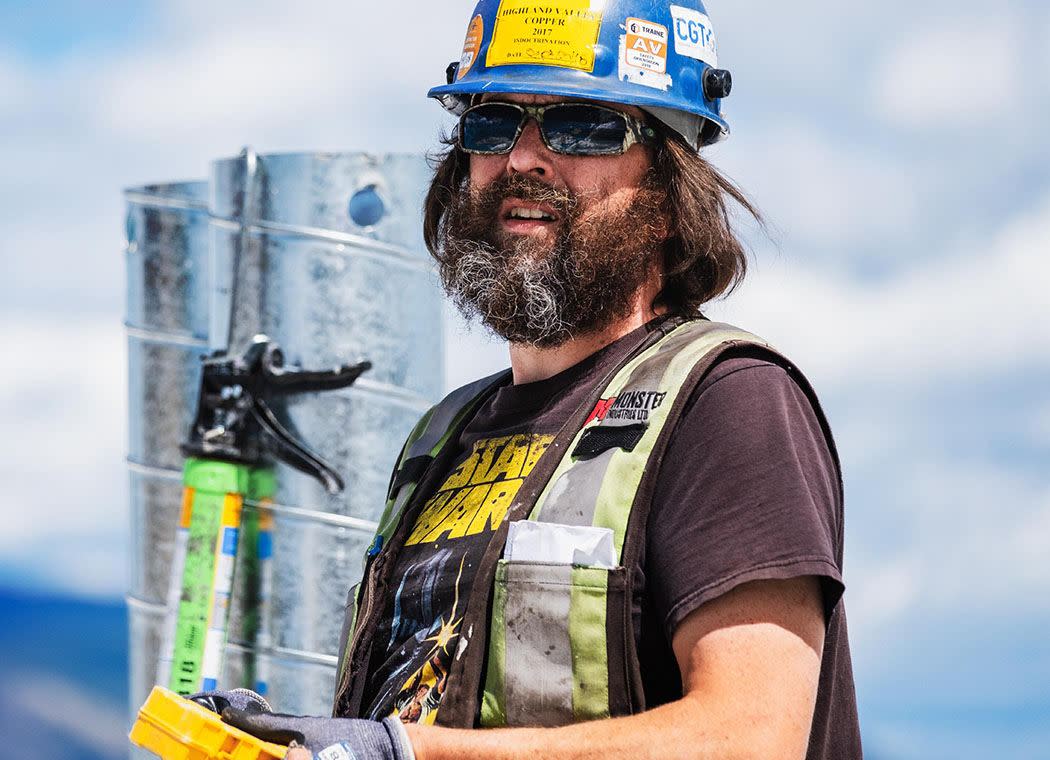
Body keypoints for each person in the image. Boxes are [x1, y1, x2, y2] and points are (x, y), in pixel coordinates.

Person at [219, 1, 863, 758]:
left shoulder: (727, 401)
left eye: (582, 125)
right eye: (491, 123)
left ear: (667, 191)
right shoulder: (442, 439)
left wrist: (404, 754)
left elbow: (751, 737)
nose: (523, 157)